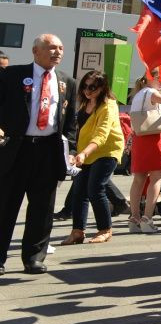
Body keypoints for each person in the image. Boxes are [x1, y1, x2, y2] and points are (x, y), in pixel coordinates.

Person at [0, 34, 76, 275]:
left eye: (60, 48)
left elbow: (70, 121)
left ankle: (34, 258)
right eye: (51, 47)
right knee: (5, 205)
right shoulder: (12, 75)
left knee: (42, 208)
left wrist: (71, 149)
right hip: (17, 148)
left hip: (48, 150)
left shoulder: (66, 81)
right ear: (35, 50)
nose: (57, 52)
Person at [61, 71, 125, 246]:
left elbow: (102, 134)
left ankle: (105, 230)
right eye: (85, 86)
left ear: (103, 87)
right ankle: (77, 231)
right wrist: (75, 152)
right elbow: (78, 130)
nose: (87, 90)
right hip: (85, 152)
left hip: (106, 151)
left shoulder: (109, 105)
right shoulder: (85, 103)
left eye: (92, 87)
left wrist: (84, 153)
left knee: (95, 188)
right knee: (79, 191)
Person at [127, 69, 161, 234]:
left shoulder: (139, 94)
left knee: (138, 180)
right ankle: (147, 218)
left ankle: (134, 218)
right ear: (150, 77)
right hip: (154, 138)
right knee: (156, 178)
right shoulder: (150, 92)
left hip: (140, 138)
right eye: (159, 78)